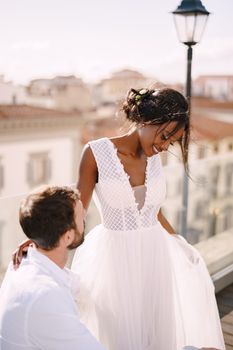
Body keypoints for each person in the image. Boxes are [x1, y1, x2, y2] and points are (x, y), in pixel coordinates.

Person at [71, 88, 225, 350]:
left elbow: (153, 212)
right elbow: (76, 212)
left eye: (171, 142)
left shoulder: (154, 159)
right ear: (145, 120)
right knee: (117, 335)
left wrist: (179, 243)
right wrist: (42, 244)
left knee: (156, 331)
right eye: (164, 136)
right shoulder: (95, 154)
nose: (164, 146)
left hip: (155, 258)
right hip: (115, 261)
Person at [0, 186, 105, 350]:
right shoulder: (46, 295)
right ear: (68, 236)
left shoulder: (24, 263)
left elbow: (77, 284)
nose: (85, 214)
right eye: (81, 217)